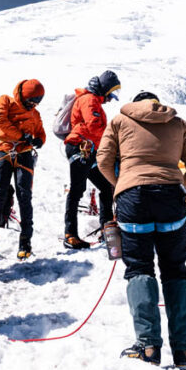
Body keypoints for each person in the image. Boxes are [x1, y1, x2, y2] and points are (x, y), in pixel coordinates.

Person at [97, 91, 186, 370]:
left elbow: (103, 161)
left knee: (140, 268)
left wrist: (122, 185)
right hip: (171, 198)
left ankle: (147, 347)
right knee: (174, 270)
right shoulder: (177, 123)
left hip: (134, 201)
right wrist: (181, 185)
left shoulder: (120, 120)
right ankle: (183, 352)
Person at [0, 79, 46, 259]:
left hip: (24, 154)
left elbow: (41, 133)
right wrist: (21, 135)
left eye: (36, 102)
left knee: (24, 196)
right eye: (31, 101)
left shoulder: (34, 114)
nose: (33, 106)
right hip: (4, 151)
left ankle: (25, 241)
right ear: (23, 96)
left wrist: (39, 141)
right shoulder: (5, 101)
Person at [63, 71, 121, 249]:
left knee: (105, 186)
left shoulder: (92, 100)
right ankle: (70, 234)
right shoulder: (89, 100)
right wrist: (112, 141)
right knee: (77, 190)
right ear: (104, 89)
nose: (110, 99)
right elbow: (93, 126)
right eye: (110, 94)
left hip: (88, 150)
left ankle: (106, 228)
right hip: (80, 148)